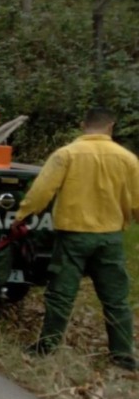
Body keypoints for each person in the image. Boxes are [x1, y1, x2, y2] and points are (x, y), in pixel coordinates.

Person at [16, 107, 139, 371]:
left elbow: (41, 192)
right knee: (116, 298)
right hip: (110, 238)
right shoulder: (128, 159)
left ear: (84, 125)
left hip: (73, 237)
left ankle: (47, 347)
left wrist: (22, 216)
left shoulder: (66, 155)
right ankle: (123, 356)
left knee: (61, 293)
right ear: (111, 127)